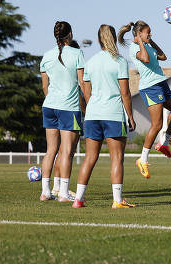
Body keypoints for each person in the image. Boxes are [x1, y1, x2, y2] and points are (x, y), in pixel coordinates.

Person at [73, 25, 136, 209]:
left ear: (99, 39)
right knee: (117, 158)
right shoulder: (120, 62)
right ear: (114, 38)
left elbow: (86, 92)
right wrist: (130, 116)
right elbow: (125, 93)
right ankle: (117, 201)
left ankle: (78, 200)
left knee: (89, 158)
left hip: (93, 116)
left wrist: (91, 109)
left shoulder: (90, 62)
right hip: (113, 115)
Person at [118, 21, 171, 179]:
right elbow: (146, 59)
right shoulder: (134, 48)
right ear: (139, 33)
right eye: (148, 32)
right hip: (150, 88)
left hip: (161, 83)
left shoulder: (148, 44)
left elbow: (163, 56)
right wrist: (141, 41)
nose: (151, 34)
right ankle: (142, 159)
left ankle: (164, 142)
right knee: (157, 125)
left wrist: (150, 41)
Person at [39, 21, 85, 202]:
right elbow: (82, 83)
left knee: (51, 151)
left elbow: (44, 87)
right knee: (66, 151)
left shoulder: (46, 56)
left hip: (49, 106)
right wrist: (87, 104)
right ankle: (64, 194)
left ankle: (45, 192)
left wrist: (54, 99)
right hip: (69, 108)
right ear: (70, 34)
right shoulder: (78, 53)